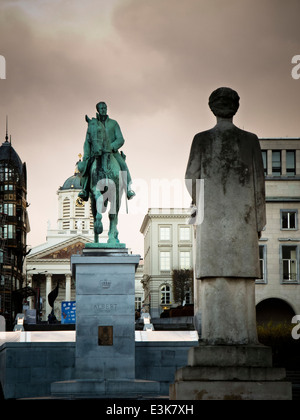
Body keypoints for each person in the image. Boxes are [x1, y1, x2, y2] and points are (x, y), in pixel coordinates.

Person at [185, 87, 266, 344]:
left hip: (212, 223)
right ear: (235, 107)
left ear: (212, 107)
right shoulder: (251, 140)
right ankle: (245, 339)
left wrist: (202, 202)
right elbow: (259, 184)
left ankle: (213, 340)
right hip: (243, 222)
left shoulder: (201, 139)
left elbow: (190, 179)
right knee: (242, 280)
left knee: (215, 279)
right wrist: (258, 221)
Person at [78, 101, 135, 201]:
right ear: (98, 110)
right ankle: (84, 190)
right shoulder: (93, 124)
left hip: (112, 153)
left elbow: (120, 139)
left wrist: (111, 147)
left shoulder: (114, 123)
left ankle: (128, 188)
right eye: (102, 108)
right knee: (87, 168)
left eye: (105, 108)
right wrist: (86, 156)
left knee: (123, 165)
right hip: (96, 153)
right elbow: (87, 141)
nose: (104, 110)